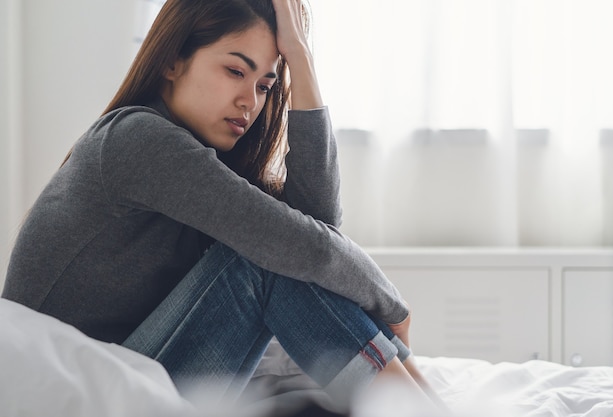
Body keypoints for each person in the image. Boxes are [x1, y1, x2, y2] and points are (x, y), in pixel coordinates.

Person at [1, 0, 445, 414]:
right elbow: (306, 250)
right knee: (264, 259)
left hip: (134, 374)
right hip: (83, 402)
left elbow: (318, 232)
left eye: (266, 86)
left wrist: (302, 63)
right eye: (235, 71)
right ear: (172, 61)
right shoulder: (135, 139)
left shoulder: (197, 162)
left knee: (278, 254)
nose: (250, 101)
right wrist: (393, 307)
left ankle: (412, 403)